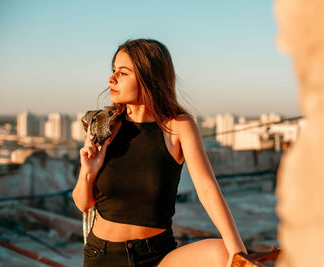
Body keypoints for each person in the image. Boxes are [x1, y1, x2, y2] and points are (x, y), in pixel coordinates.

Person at [72, 39, 247, 267]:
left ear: (149, 77)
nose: (111, 79)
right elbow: (83, 204)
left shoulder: (178, 126)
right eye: (113, 70)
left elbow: (206, 188)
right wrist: (88, 172)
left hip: (158, 256)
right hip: (103, 255)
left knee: (224, 254)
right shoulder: (103, 126)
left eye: (123, 73)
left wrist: (239, 254)